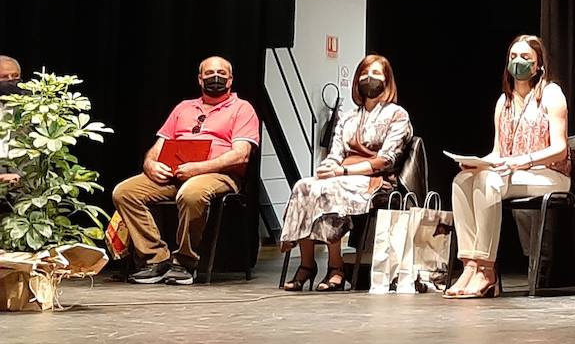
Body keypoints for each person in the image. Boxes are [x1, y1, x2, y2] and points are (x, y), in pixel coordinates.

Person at [112, 56, 260, 285]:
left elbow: (241, 154)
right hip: (175, 173)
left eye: (222, 73)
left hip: (218, 175)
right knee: (124, 192)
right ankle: (155, 258)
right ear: (200, 80)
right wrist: (150, 165)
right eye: (209, 74)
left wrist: (199, 168)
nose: (216, 78)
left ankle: (184, 262)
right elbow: (157, 147)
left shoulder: (242, 109)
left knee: (191, 193)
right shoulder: (183, 108)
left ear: (231, 80)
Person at [445, 35, 571, 299]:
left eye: (526, 58)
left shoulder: (551, 94)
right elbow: (498, 151)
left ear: (538, 65)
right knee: (463, 181)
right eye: (513, 57)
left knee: (489, 182)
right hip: (514, 171)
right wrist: (478, 164)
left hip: (551, 175)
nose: (518, 62)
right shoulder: (504, 102)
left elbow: (560, 148)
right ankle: (469, 264)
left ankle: (487, 270)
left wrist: (523, 161)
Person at [279, 55, 412, 292]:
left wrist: (343, 171)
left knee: (332, 189)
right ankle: (307, 265)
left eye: (376, 74)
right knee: (304, 186)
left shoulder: (397, 115)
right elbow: (336, 152)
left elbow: (385, 160)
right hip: (344, 173)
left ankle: (336, 267)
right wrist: (328, 167)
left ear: (387, 80)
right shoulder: (348, 117)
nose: (369, 78)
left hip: (377, 180)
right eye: (364, 73)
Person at [0, 55, 19, 186]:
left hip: (23, 178)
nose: (11, 80)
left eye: (15, 76)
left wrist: (21, 176)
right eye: (5, 77)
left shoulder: (33, 109)